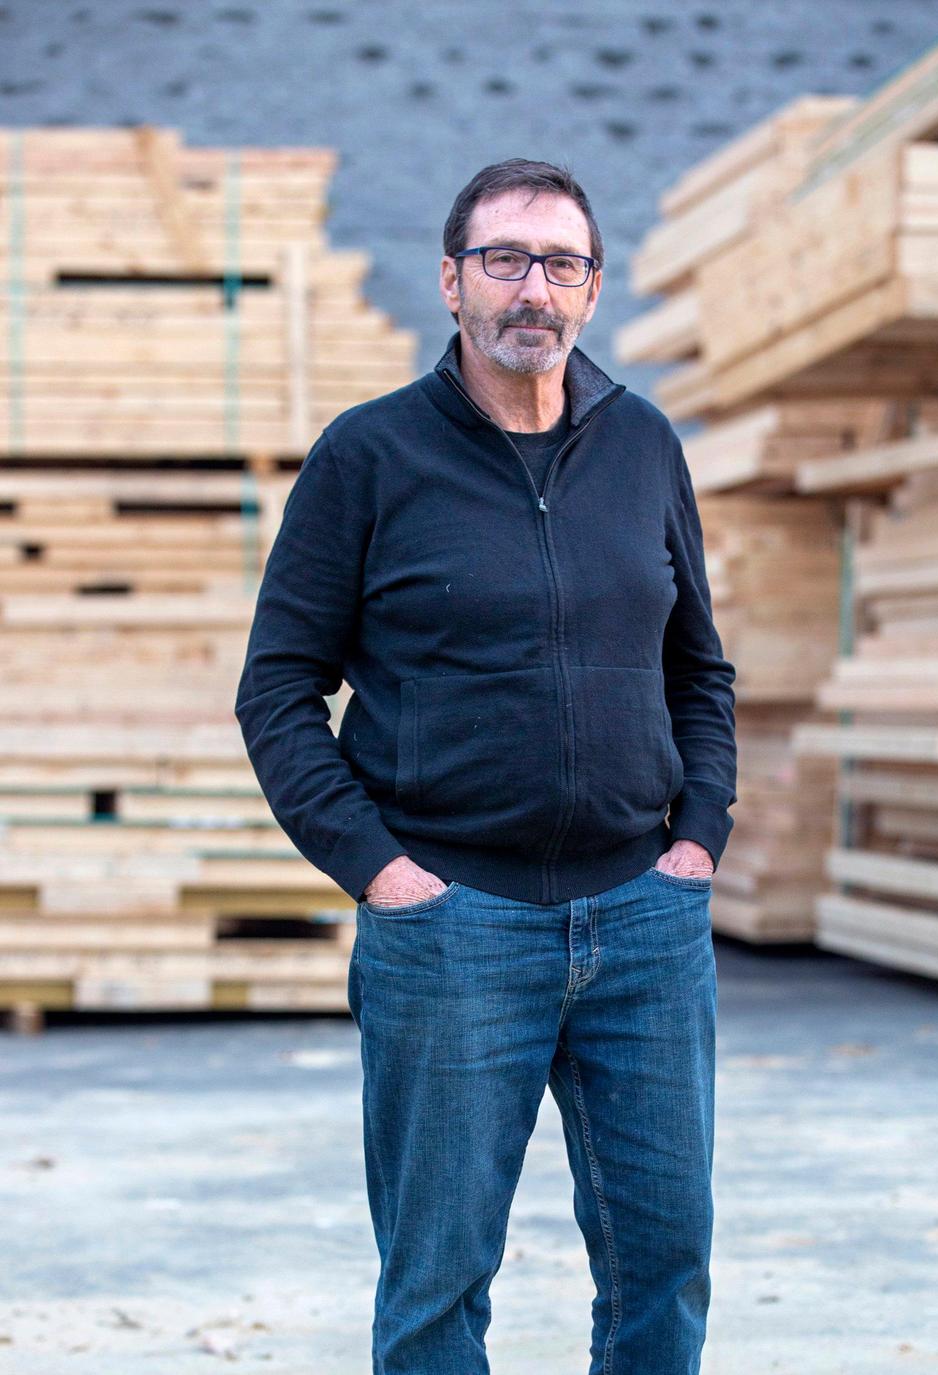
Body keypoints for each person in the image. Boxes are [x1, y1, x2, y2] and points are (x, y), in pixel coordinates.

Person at [235, 158, 737, 1375]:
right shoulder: (370, 456)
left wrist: (696, 841)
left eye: (561, 264)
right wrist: (382, 872)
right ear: (452, 279)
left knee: (665, 1265)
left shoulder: (643, 446)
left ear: (594, 288)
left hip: (643, 922)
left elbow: (700, 669)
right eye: (505, 260)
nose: (535, 289)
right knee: (439, 1281)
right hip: (454, 923)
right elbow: (277, 688)